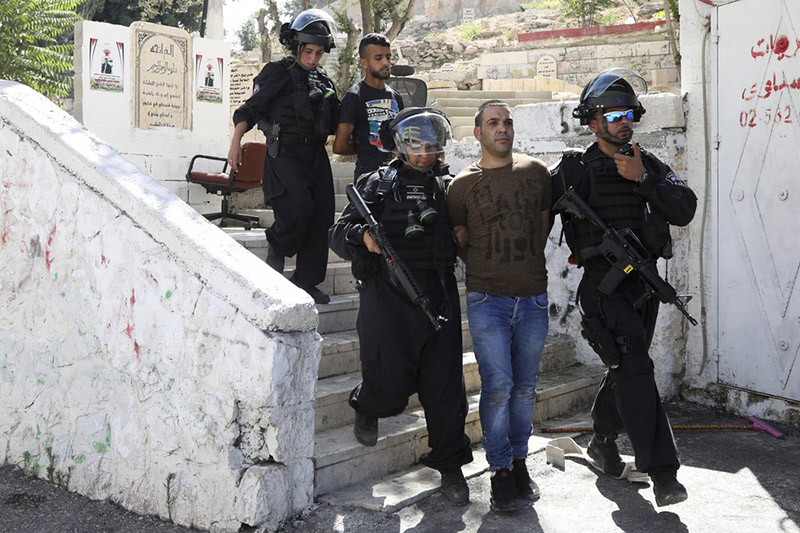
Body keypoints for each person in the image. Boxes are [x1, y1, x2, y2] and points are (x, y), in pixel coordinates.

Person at [550, 68, 698, 507]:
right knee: (635, 370)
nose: (623, 121)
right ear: (593, 122)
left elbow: (684, 208)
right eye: (612, 114)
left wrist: (643, 179)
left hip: (644, 287)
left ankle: (601, 439)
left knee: (626, 370)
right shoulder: (574, 170)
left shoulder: (647, 163)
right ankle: (664, 473)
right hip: (603, 289)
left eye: (628, 112)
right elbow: (537, 211)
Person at [329, 108, 473, 506]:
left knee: (446, 389)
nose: (425, 153)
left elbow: (465, 234)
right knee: (388, 378)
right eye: (417, 145)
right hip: (386, 295)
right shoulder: (376, 183)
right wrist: (364, 237)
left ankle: (450, 467)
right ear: (400, 145)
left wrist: (463, 234)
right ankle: (368, 405)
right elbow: (337, 233)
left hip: (437, 293)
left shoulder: (449, 186)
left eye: (431, 145)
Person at [446, 100, 551, 512]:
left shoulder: (537, 172)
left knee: (525, 389)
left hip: (533, 298)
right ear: (478, 133)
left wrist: (523, 268)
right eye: (493, 123)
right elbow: (460, 240)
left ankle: (520, 461)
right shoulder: (461, 185)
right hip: (487, 298)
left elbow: (543, 224)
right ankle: (500, 472)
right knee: (498, 388)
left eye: (507, 122)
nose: (502, 128)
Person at [228, 8, 340, 304]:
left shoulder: (324, 81)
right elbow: (249, 109)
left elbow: (340, 118)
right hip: (285, 153)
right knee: (298, 209)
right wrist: (235, 142)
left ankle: (306, 281)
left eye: (318, 52)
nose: (313, 58)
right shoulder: (278, 73)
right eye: (309, 51)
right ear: (297, 47)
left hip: (316, 155)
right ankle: (276, 245)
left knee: (320, 218)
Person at [333, 33, 404, 181]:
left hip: (394, 174)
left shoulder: (396, 97)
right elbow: (339, 146)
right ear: (364, 63)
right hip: (368, 176)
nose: (385, 62)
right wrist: (365, 148)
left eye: (388, 57)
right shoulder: (354, 97)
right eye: (378, 58)